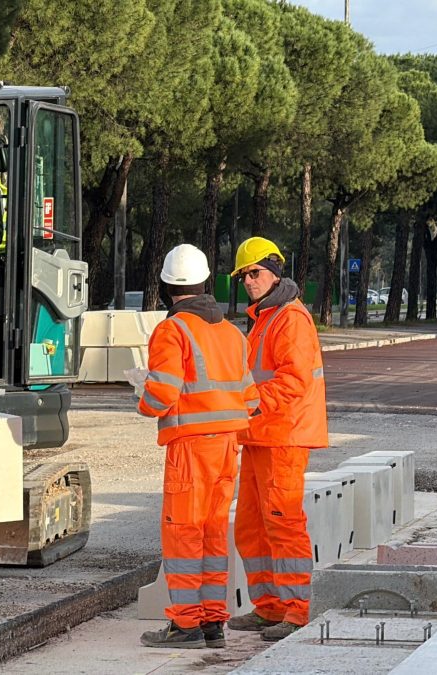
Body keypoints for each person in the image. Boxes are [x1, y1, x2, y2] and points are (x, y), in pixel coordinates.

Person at [137, 244, 259, 650]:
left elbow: (163, 393)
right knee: (212, 536)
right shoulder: (231, 332)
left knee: (184, 535)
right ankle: (212, 623)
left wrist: (143, 398)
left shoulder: (173, 330)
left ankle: (186, 624)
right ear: (206, 284)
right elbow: (252, 398)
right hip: (228, 447)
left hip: (191, 447)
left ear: (167, 286)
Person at [227, 236, 327, 642]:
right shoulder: (266, 317)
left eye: (255, 273)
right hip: (259, 437)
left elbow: (292, 380)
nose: (249, 281)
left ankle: (297, 611)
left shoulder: (290, 318)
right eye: (243, 276)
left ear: (274, 271)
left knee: (284, 523)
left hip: (283, 436)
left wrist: (250, 405)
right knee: (251, 527)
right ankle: (269, 607)